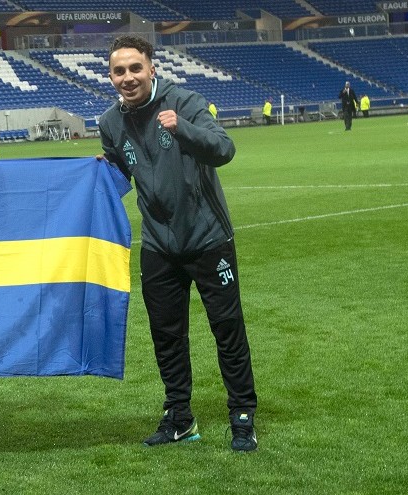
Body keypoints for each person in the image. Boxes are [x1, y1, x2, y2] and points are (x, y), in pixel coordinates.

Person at [98, 35, 258, 452]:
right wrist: (97, 174)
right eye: (119, 70)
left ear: (152, 68)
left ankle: (242, 416)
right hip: (158, 246)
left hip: (208, 239)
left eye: (136, 68)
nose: (128, 77)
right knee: (166, 335)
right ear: (111, 75)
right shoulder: (109, 123)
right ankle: (180, 418)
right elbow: (120, 179)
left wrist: (181, 128)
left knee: (228, 331)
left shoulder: (184, 102)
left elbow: (224, 149)